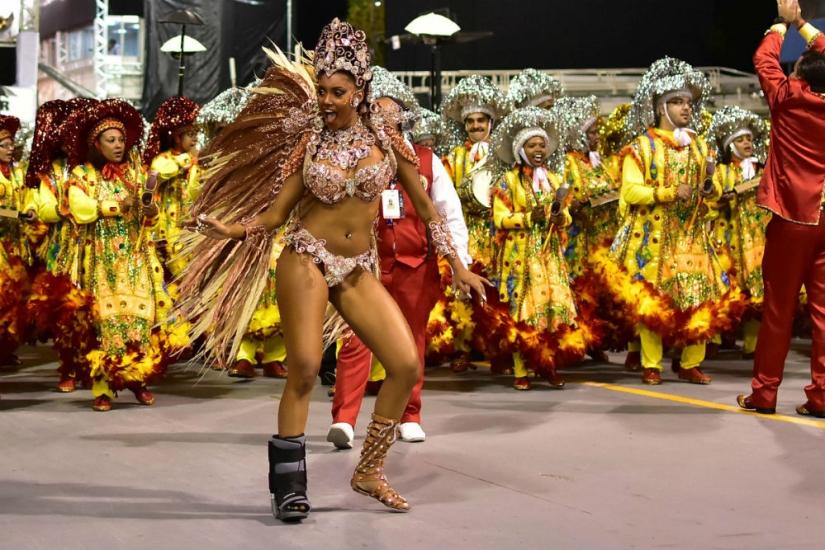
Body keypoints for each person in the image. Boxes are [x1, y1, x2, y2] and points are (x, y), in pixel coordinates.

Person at [177, 19, 489, 522]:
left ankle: (368, 471)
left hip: (358, 268)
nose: (326, 100)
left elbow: (428, 210)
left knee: (405, 364)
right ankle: (289, 486)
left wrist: (458, 263)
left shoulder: (388, 140)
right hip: (306, 257)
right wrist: (232, 231)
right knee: (302, 368)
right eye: (322, 90)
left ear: (359, 90)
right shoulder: (308, 142)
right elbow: (277, 216)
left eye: (337, 92)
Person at [327, 67, 472, 448]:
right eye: (378, 114)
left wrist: (460, 263)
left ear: (404, 119)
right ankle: (344, 419)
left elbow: (447, 213)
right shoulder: (357, 158)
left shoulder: (427, 161)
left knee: (412, 341)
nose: (385, 121)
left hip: (415, 267)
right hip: (364, 268)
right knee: (355, 339)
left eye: (392, 115)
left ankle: (410, 415)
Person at [593, 57, 744, 385]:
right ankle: (652, 364)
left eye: (688, 102)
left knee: (700, 299)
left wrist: (709, 186)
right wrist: (669, 192)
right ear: (661, 108)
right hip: (653, 238)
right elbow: (631, 192)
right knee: (652, 301)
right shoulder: (639, 148)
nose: (686, 108)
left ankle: (690, 363)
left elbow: (715, 187)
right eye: (678, 102)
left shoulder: (699, 146)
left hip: (691, 238)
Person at [738, 0, 825, 418]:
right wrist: (805, 26)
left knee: (778, 310)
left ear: (800, 77)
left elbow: (762, 57)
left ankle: (765, 394)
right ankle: (822, 396)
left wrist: (782, 22)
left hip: (794, 218)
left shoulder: (789, 98)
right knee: (824, 317)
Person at [63, 98, 178, 411]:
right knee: (105, 324)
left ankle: (137, 380)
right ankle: (103, 387)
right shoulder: (83, 175)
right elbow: (79, 209)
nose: (117, 145)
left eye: (121, 140)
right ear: (96, 144)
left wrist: (148, 210)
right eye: (110, 140)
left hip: (135, 258)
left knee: (139, 320)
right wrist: (115, 206)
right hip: (100, 260)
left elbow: (150, 217)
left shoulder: (138, 173)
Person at [487, 106, 576, 389]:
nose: (538, 149)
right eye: (532, 145)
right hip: (519, 257)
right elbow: (500, 218)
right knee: (522, 310)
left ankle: (547, 364)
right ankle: (520, 370)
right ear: (520, 149)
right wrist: (528, 218)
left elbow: (568, 214)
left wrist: (562, 218)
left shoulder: (554, 180)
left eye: (542, 145)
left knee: (550, 309)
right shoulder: (508, 181)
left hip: (549, 256)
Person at [24, 98, 98, 392]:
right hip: (63, 250)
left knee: (93, 311)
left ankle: (90, 366)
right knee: (65, 312)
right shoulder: (51, 173)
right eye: (68, 139)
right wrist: (68, 208)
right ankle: (67, 367)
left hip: (96, 249)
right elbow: (43, 210)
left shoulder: (95, 169)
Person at [440, 75, 510, 372]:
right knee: (462, 292)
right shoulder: (454, 158)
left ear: (490, 121)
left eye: (481, 120)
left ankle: (498, 351)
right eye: (471, 122)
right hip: (466, 232)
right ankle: (462, 349)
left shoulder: (505, 156)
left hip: (498, 233)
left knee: (498, 291)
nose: (476, 126)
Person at [556, 96, 621, 360]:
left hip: (601, 237)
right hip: (577, 240)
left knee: (599, 291)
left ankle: (594, 342)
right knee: (580, 290)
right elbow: (561, 197)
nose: (597, 136)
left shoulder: (597, 160)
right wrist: (577, 205)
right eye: (592, 132)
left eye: (596, 132)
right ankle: (574, 343)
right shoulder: (567, 162)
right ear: (578, 133)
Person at [705, 106, 769, 360]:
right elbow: (709, 200)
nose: (747, 144)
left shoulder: (763, 170)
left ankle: (753, 345)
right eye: (740, 140)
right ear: (730, 144)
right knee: (724, 290)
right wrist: (721, 197)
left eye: (750, 139)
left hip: (759, 240)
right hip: (727, 238)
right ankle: (715, 339)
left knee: (757, 291)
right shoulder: (722, 172)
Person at [144, 95, 201, 280]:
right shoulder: (163, 160)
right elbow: (159, 172)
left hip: (192, 230)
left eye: (196, 134)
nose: (195, 139)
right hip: (167, 232)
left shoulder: (195, 164)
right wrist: (189, 159)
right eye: (190, 135)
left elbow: (197, 190)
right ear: (177, 137)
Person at [0, 115, 27, 366]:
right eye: (4, 145)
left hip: (15, 243)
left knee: (13, 299)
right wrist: (18, 214)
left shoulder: (17, 172)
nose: (10, 149)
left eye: (11, 144)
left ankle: (5, 349)